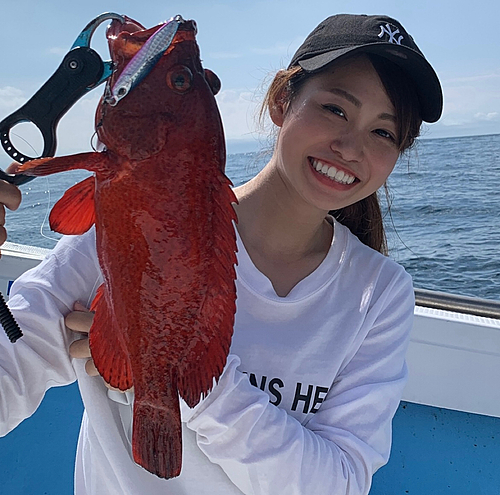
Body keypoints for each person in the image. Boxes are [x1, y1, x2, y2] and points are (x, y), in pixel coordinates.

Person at [0, 13, 442, 495]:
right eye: (336, 109)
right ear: (281, 101)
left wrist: (193, 389)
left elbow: (338, 484)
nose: (351, 147)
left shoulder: (379, 292)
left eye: (384, 133)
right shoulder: (117, 225)